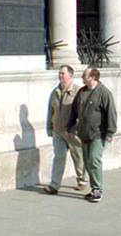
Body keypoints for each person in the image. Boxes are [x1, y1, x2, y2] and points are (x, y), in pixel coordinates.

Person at [66, 67, 116, 203]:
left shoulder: (104, 93)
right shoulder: (82, 92)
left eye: (84, 75)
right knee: (87, 162)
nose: (82, 77)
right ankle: (94, 188)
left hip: (98, 133)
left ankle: (98, 188)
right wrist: (69, 126)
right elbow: (74, 110)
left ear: (92, 77)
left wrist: (110, 132)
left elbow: (111, 112)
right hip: (84, 132)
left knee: (94, 159)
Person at [44, 65, 86, 194]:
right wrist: (49, 127)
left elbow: (82, 112)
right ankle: (54, 185)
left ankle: (82, 180)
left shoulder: (78, 92)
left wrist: (79, 128)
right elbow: (51, 111)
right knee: (59, 157)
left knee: (78, 156)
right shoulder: (55, 92)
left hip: (72, 131)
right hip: (58, 131)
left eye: (63, 73)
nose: (60, 76)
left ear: (70, 75)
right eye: (59, 73)